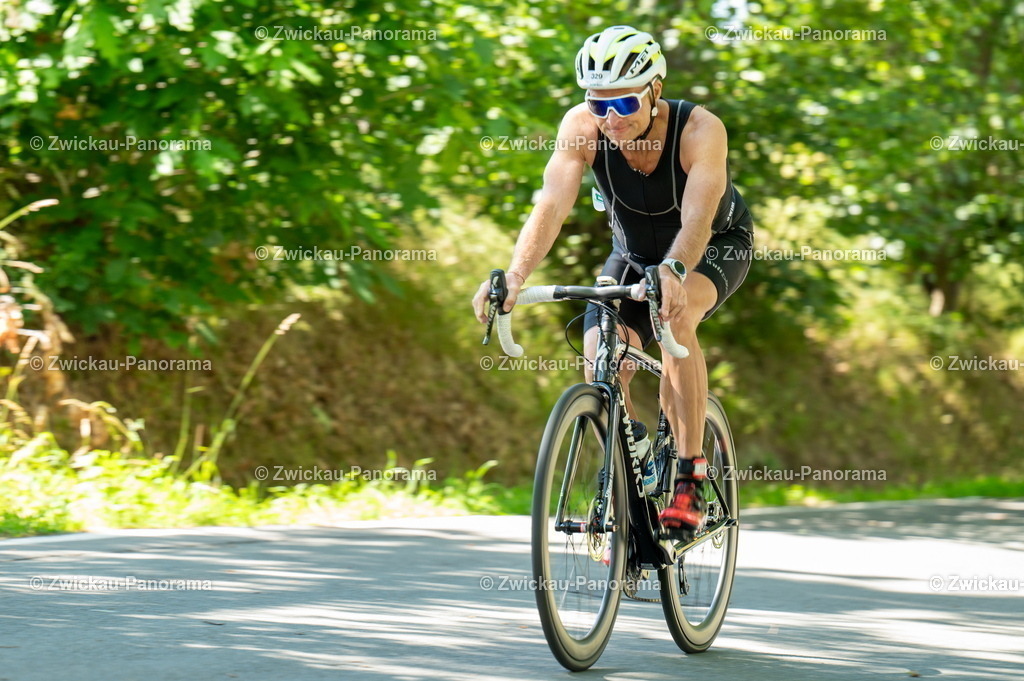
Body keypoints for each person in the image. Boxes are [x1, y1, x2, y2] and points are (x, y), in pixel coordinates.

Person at [472, 25, 754, 541]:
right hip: (632, 252)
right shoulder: (582, 127)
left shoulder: (699, 131)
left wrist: (672, 273)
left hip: (712, 244)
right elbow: (552, 204)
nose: (610, 119)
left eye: (623, 104)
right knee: (600, 344)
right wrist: (514, 275)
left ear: (655, 90)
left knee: (677, 315)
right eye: (598, 104)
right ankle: (633, 448)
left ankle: (690, 477)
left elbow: (696, 217)